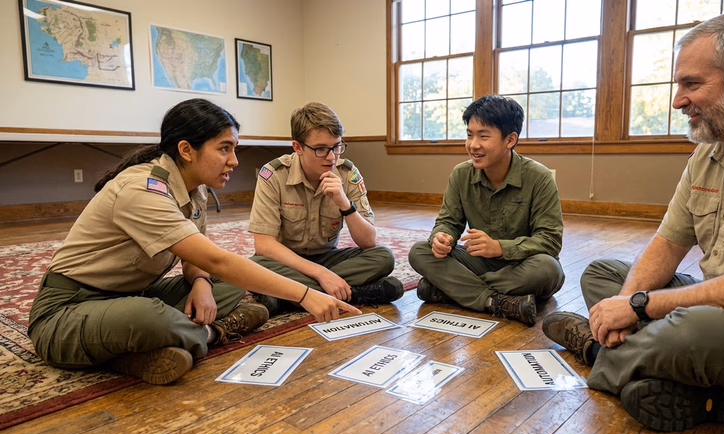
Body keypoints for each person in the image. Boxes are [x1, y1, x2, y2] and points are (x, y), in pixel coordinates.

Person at [542, 13, 724, 432]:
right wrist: (626, 303)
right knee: (603, 275)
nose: (678, 100)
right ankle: (699, 388)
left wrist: (639, 306)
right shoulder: (713, 147)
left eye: (691, 84)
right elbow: (667, 244)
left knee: (692, 330)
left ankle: (596, 353)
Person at [27, 99, 360, 386]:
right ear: (186, 150)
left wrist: (200, 281)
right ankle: (214, 334)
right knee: (148, 317)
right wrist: (306, 294)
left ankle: (138, 353)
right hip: (66, 312)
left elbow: (196, 256)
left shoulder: (193, 189)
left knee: (224, 289)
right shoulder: (142, 190)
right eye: (225, 149)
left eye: (234, 149)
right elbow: (219, 259)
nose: (234, 161)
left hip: (127, 295)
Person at [408, 95, 565, 325]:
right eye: (469, 135)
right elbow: (449, 221)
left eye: (483, 136)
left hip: (522, 266)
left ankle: (451, 289)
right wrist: (442, 237)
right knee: (419, 251)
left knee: (548, 269)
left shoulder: (539, 178)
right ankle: (495, 301)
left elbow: (550, 241)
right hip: (479, 261)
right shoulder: (461, 174)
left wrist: (499, 247)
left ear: (510, 139)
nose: (473, 145)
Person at [248, 102, 403, 307]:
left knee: (384, 257)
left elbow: (368, 241)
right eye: (320, 149)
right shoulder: (273, 175)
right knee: (254, 267)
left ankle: (286, 297)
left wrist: (344, 203)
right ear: (298, 147)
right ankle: (354, 294)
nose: (331, 157)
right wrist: (321, 275)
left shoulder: (347, 174)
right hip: (286, 262)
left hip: (329, 258)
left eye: (336, 146)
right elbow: (264, 245)